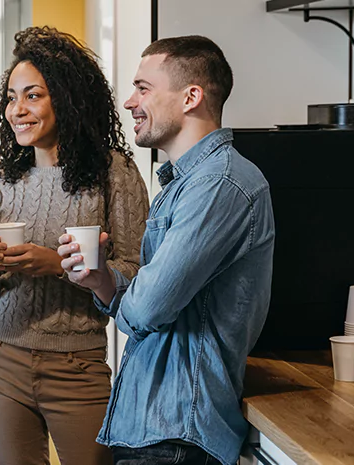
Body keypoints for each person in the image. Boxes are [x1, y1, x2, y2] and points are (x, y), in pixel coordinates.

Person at [58, 35, 275, 465]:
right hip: (154, 428)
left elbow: (148, 308)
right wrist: (101, 280)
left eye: (144, 88)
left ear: (191, 96)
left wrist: (130, 295)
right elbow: (149, 301)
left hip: (178, 434)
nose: (128, 101)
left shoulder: (219, 185)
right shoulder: (186, 183)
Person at [0, 26, 149, 465]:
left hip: (78, 368)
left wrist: (58, 264)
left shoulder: (114, 174)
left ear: (66, 99)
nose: (17, 110)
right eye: (11, 97)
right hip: (1, 360)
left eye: (33, 96)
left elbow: (139, 277)